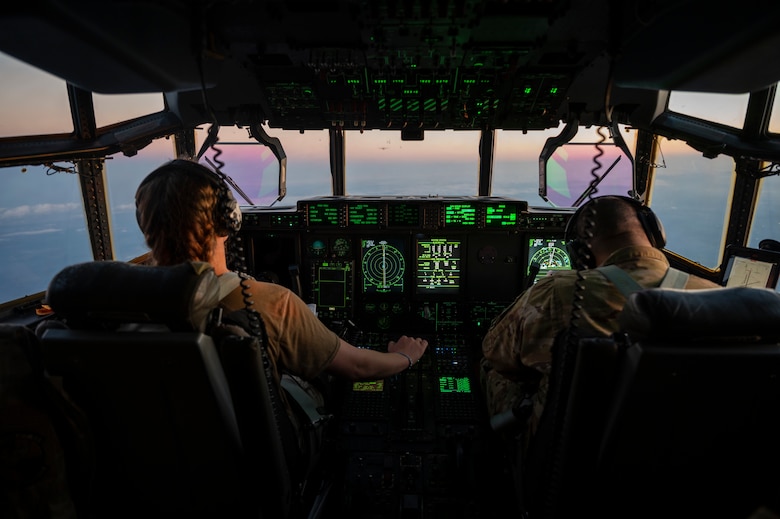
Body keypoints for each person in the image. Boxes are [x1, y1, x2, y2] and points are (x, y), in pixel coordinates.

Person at [134, 158, 428, 410]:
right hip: (263, 451)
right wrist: (404, 357)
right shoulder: (270, 303)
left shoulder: (116, 301)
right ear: (229, 221)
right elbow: (357, 367)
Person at [480, 194, 720, 445]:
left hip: (570, 460)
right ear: (655, 235)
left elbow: (495, 351)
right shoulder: (719, 299)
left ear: (578, 252)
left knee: (492, 368)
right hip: (682, 456)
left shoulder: (559, 292)